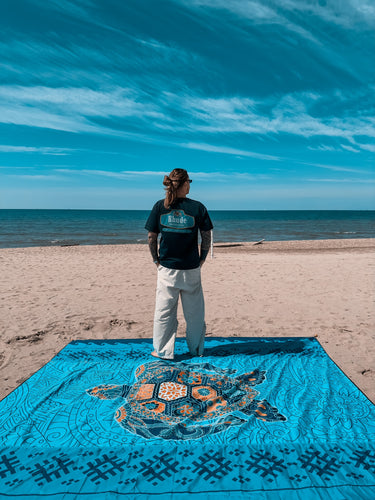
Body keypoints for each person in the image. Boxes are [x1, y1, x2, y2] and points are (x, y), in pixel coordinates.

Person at [145, 168, 213, 360]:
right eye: (189, 181)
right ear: (184, 184)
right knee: (195, 313)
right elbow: (206, 235)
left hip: (167, 269)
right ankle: (197, 349)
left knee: (164, 312)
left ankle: (163, 351)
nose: (190, 184)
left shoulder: (160, 206)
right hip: (191, 268)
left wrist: (155, 260)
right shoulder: (198, 207)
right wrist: (202, 258)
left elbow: (151, 237)